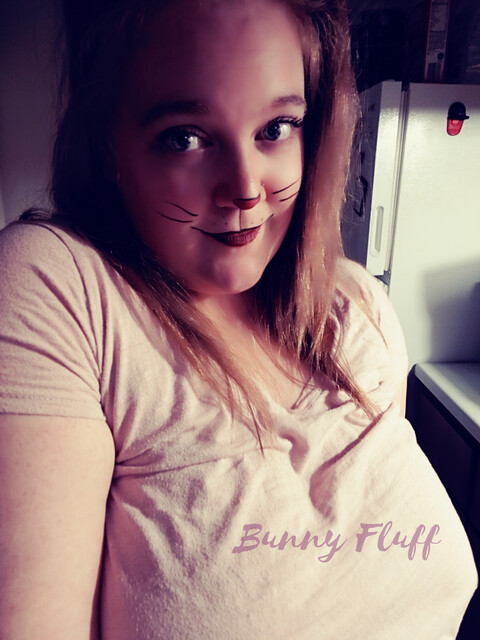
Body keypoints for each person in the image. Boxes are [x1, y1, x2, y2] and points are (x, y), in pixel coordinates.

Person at [0, 0, 476, 638]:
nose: (246, 187)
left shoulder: (358, 308)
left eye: (276, 127)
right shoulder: (60, 290)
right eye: (185, 137)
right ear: (108, 143)